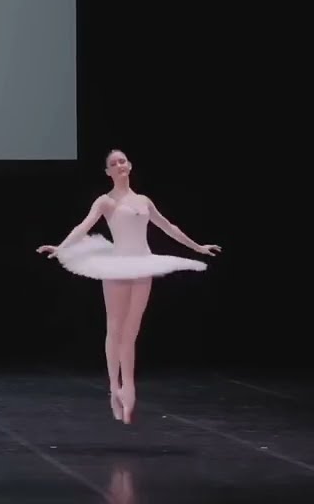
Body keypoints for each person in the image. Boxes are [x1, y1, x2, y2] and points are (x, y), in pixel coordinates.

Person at [36, 149, 219, 424]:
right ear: (108, 172)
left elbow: (168, 227)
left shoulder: (143, 200)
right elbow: (83, 226)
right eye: (113, 163)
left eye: (122, 161)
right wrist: (60, 247)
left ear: (130, 166)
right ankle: (113, 387)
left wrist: (198, 247)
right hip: (118, 265)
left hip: (142, 263)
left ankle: (129, 387)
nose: (119, 165)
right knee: (115, 327)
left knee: (131, 331)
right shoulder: (105, 201)